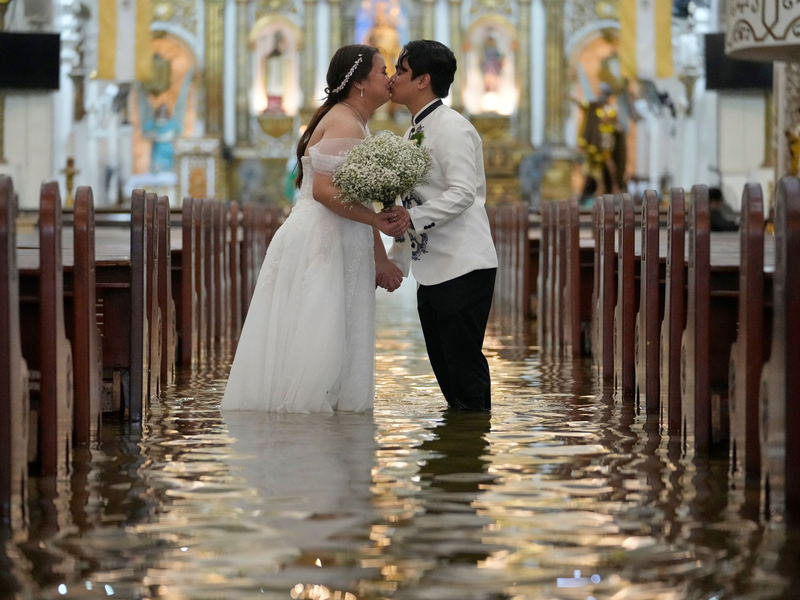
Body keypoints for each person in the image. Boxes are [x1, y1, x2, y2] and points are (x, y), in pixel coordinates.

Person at [221, 44, 408, 413]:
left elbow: (357, 196)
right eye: (382, 71)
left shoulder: (352, 120)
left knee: (330, 326)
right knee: (319, 328)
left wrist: (380, 255)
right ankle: (311, 434)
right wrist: (375, 221)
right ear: (359, 83)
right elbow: (324, 191)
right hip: (323, 235)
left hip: (336, 232)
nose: (388, 79)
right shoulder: (343, 120)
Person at [387, 40, 498, 412]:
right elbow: (408, 204)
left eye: (400, 71)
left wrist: (411, 219)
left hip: (463, 265)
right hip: (431, 270)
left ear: (423, 80)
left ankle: (472, 460)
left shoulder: (452, 128)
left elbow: (464, 192)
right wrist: (397, 263)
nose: (393, 78)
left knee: (465, 377)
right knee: (448, 379)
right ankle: (455, 459)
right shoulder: (413, 133)